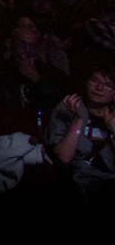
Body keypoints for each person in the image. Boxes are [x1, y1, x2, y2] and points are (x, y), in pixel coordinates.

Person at [47, 68, 115, 206]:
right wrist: (77, 121)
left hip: (110, 181)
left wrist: (113, 128)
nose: (99, 88)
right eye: (95, 80)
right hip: (78, 179)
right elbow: (64, 157)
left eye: (108, 85)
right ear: (87, 83)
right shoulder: (69, 107)